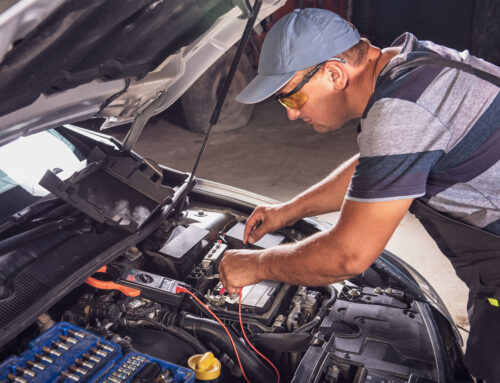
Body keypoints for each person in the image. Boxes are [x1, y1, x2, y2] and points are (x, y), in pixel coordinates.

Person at [217, 8, 500, 382]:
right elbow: (379, 165)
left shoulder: (401, 111)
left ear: (334, 74)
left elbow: (350, 254)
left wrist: (255, 265)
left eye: (291, 99)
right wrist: (289, 210)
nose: (290, 115)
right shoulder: (413, 63)